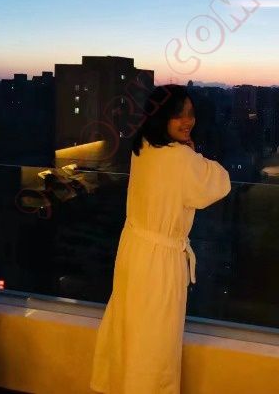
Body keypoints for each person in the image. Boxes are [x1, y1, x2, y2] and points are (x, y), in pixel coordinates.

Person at [90, 85, 231, 394]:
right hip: (160, 263)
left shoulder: (142, 147)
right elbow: (220, 183)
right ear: (162, 117)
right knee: (156, 344)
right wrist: (193, 152)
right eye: (178, 115)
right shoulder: (181, 158)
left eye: (191, 114)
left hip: (133, 252)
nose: (187, 121)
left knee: (129, 331)